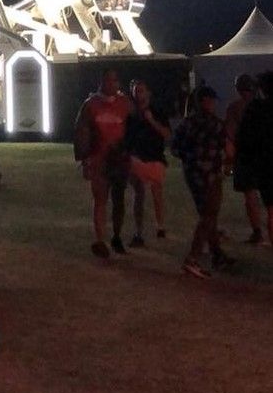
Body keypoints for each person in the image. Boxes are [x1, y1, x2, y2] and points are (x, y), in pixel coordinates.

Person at [172, 85, 234, 278]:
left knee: (208, 215)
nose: (214, 104)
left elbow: (175, 149)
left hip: (193, 174)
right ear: (205, 101)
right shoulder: (215, 124)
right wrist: (227, 163)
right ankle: (193, 258)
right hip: (211, 175)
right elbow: (228, 149)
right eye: (211, 100)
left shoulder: (186, 123)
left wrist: (191, 158)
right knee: (209, 215)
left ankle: (217, 254)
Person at [73, 69, 132, 257]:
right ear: (102, 82)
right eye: (108, 80)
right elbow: (81, 132)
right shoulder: (91, 105)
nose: (111, 84)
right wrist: (84, 159)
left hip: (119, 160)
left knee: (119, 200)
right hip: (99, 160)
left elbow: (133, 129)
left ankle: (116, 236)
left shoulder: (125, 104)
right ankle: (100, 240)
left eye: (114, 80)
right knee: (100, 200)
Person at [123, 80, 171, 246]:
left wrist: (152, 121)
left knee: (157, 193)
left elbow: (166, 134)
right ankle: (139, 231)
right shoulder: (131, 116)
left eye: (141, 91)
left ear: (148, 93)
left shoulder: (157, 112)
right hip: (137, 158)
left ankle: (160, 226)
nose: (139, 94)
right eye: (136, 91)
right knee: (139, 192)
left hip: (155, 157)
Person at [235, 70, 273, 246]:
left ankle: (261, 234)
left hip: (263, 164)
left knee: (271, 209)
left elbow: (243, 137)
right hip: (263, 163)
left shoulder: (255, 108)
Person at [225, 73, 263, 244]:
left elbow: (230, 135)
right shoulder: (264, 106)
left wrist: (229, 160)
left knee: (250, 195)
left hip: (245, 156)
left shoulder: (235, 108)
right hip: (265, 154)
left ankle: (257, 231)